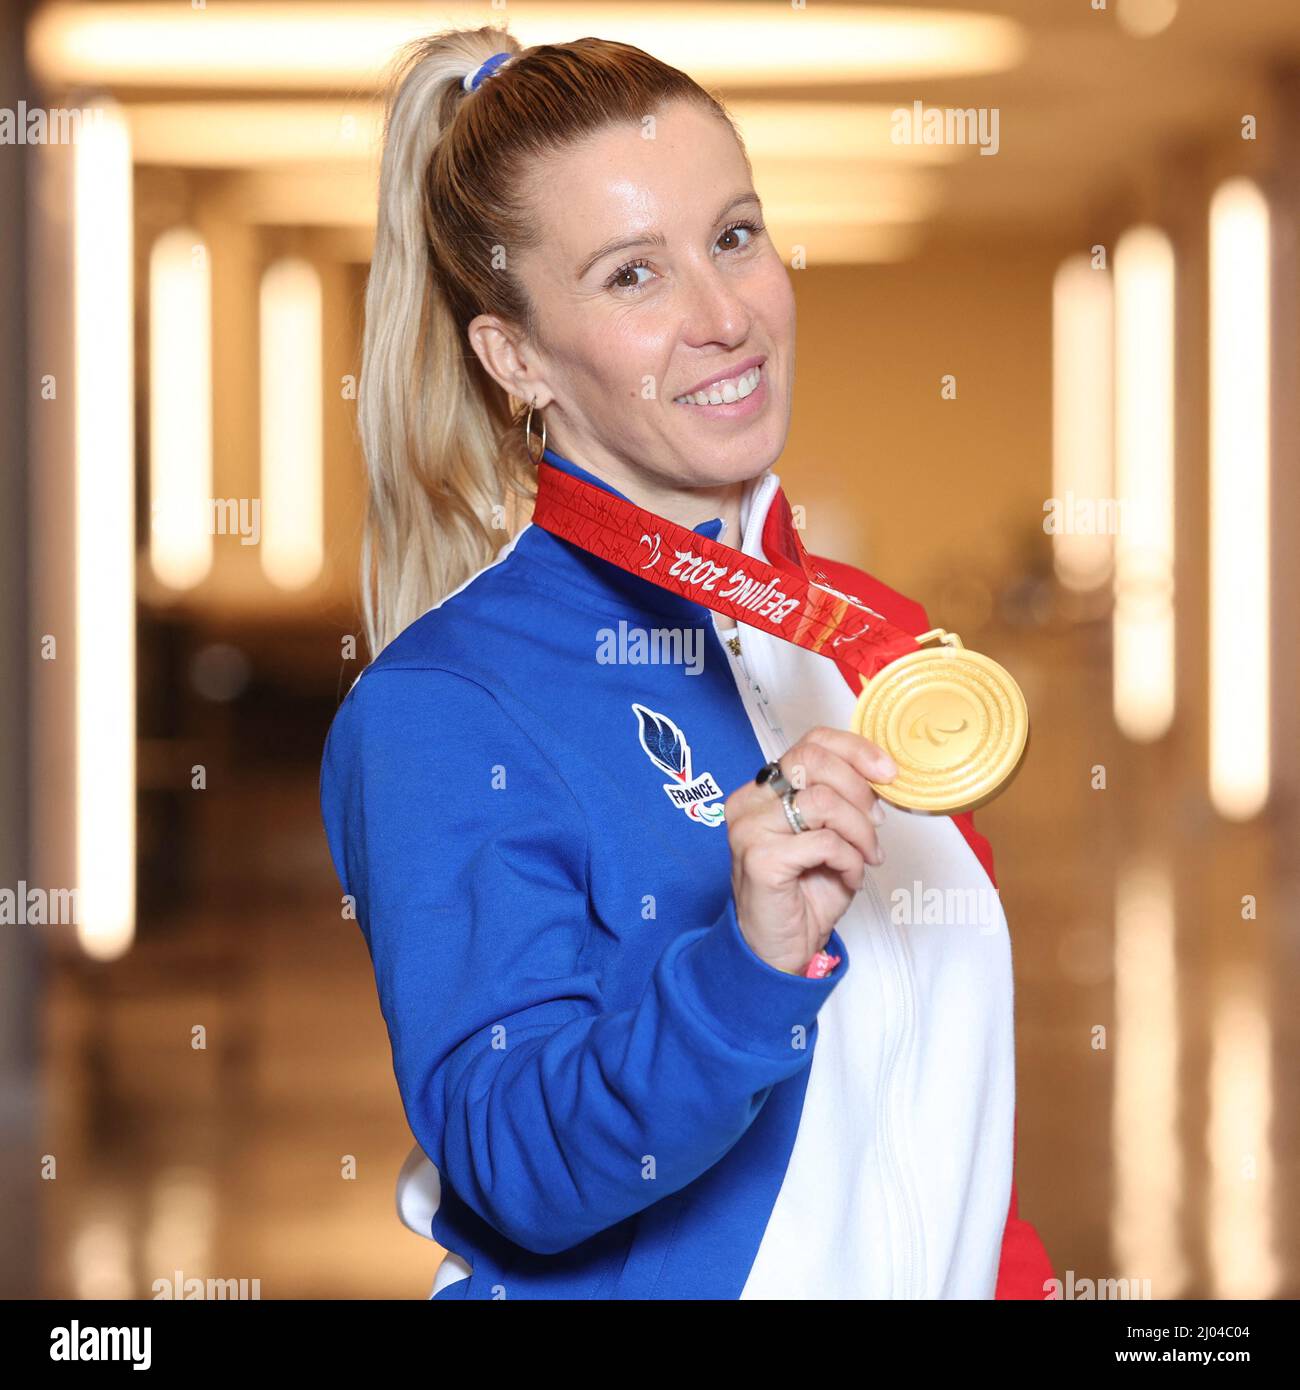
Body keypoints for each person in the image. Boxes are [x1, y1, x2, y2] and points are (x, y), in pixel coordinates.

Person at [318, 25, 1054, 1299]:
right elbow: (516, 1168)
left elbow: (940, 1111)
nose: (724, 318)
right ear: (518, 357)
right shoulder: (442, 706)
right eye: (630, 275)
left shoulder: (871, 638)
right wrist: (745, 968)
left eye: (734, 235)